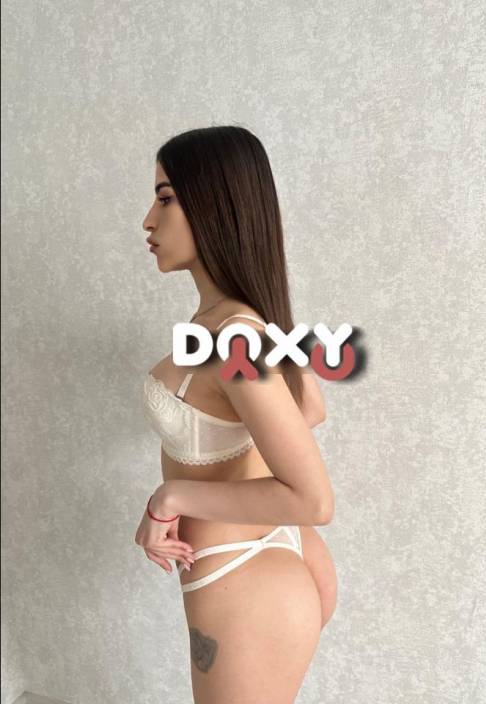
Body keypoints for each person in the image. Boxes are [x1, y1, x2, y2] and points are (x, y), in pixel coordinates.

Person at [135, 125, 337, 703]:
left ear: (214, 205)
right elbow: (309, 409)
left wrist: (170, 497)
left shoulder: (234, 336)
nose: (148, 221)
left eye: (166, 198)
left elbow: (314, 501)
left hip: (244, 577)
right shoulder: (237, 324)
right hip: (257, 564)